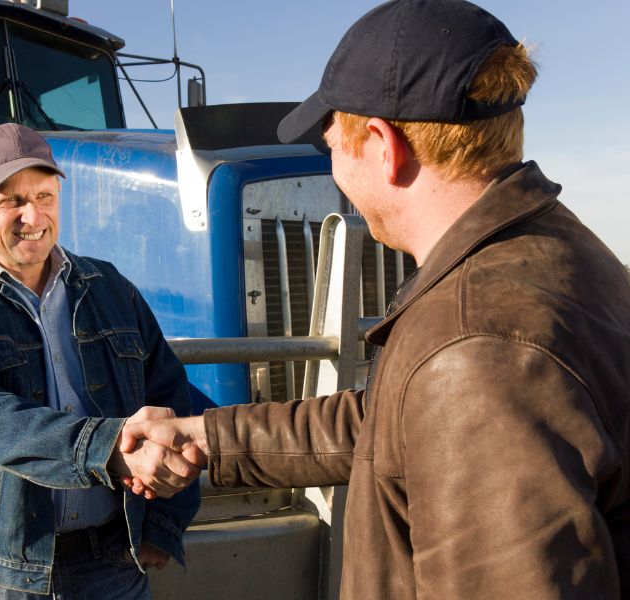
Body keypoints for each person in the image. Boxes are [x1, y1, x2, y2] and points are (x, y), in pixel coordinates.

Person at [119, 0, 630, 597]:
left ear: (386, 147)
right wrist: (207, 437)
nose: (332, 167)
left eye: (331, 143)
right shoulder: (551, 249)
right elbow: (398, 422)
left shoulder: (474, 349)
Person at [0, 123, 201, 599]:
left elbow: (170, 395)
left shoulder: (111, 288)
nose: (32, 215)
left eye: (44, 196)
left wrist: (162, 523)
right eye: (10, 200)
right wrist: (108, 447)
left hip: (113, 565)